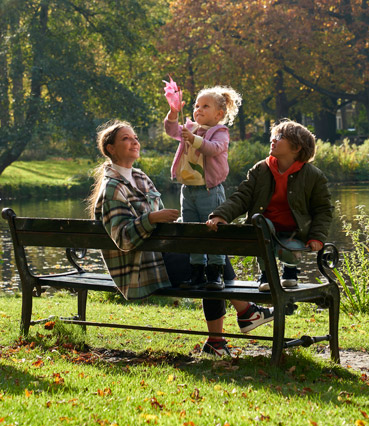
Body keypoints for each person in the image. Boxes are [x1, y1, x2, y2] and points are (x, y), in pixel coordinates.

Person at [86, 120, 274, 357]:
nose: (134, 141)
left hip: (159, 255)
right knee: (208, 260)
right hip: (139, 268)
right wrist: (153, 218)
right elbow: (124, 239)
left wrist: (167, 223)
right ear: (110, 148)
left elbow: (160, 226)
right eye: (126, 139)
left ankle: (230, 330)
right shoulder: (113, 187)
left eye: (135, 137)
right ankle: (242, 316)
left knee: (208, 254)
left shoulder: (140, 177)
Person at [206, 120, 333, 292]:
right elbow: (242, 196)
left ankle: (290, 271)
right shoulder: (261, 169)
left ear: (296, 148)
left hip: (294, 231)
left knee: (291, 252)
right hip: (265, 228)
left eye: (279, 137)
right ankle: (266, 275)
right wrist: (221, 214)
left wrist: (317, 237)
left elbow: (323, 210)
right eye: (273, 136)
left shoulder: (313, 175)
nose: (273, 140)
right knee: (262, 228)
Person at [165, 86, 242, 290]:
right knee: (192, 231)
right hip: (187, 190)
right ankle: (197, 271)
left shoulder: (221, 132)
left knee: (212, 230)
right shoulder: (189, 127)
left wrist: (195, 140)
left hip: (210, 191)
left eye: (205, 106)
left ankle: (215, 272)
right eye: (196, 106)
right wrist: (173, 114)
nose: (198, 109)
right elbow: (171, 130)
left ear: (219, 113)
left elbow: (214, 149)